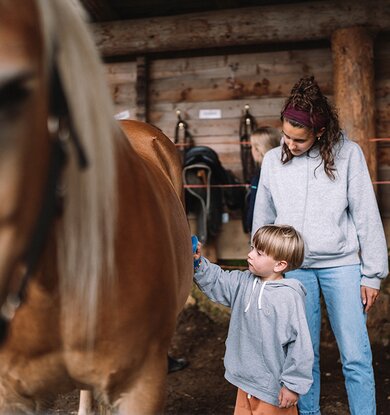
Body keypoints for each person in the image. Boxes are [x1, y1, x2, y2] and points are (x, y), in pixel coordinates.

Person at [252, 76, 389, 415]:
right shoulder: (272, 161)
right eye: (285, 135)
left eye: (298, 139)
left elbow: (366, 215)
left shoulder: (348, 154)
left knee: (356, 354)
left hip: (341, 266)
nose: (289, 144)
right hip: (292, 268)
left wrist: (372, 274)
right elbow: (263, 218)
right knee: (303, 356)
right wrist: (261, 264)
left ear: (320, 133)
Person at [193, 225, 314, 414]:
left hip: (274, 392)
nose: (250, 255)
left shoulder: (288, 298)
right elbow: (218, 280)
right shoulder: (244, 282)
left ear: (280, 265)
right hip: (245, 383)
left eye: (259, 253)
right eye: (252, 248)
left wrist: (293, 386)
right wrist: (199, 263)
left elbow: (300, 346)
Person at [245, 127, 281, 233]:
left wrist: (249, 225)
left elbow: (257, 207)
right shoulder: (278, 172)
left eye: (252, 147)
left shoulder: (260, 177)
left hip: (264, 233)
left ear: (257, 150)